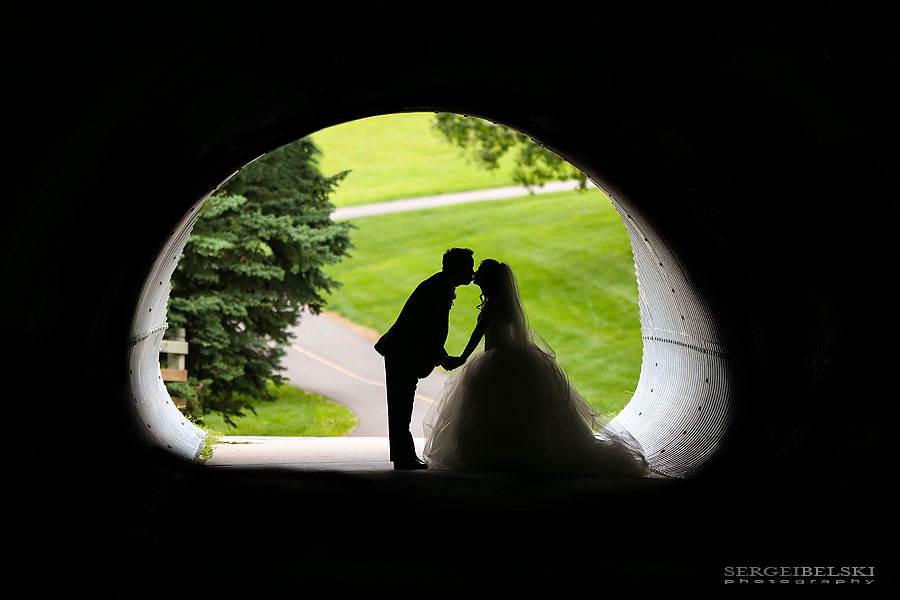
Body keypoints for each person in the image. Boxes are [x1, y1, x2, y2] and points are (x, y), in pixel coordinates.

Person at [423, 259, 649, 477]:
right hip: (508, 355)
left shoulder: (492, 303)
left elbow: (478, 334)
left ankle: (493, 453)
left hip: (495, 358)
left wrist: (462, 358)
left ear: (488, 278)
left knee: (491, 408)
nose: (475, 274)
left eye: (480, 271)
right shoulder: (502, 301)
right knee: (512, 410)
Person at [374, 247, 475, 470]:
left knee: (401, 406)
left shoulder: (441, 284)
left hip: (403, 351)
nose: (472, 271)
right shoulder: (439, 288)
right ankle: (404, 457)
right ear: (456, 268)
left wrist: (441, 356)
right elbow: (427, 329)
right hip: (402, 351)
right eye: (468, 267)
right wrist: (443, 357)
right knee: (401, 406)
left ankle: (404, 456)